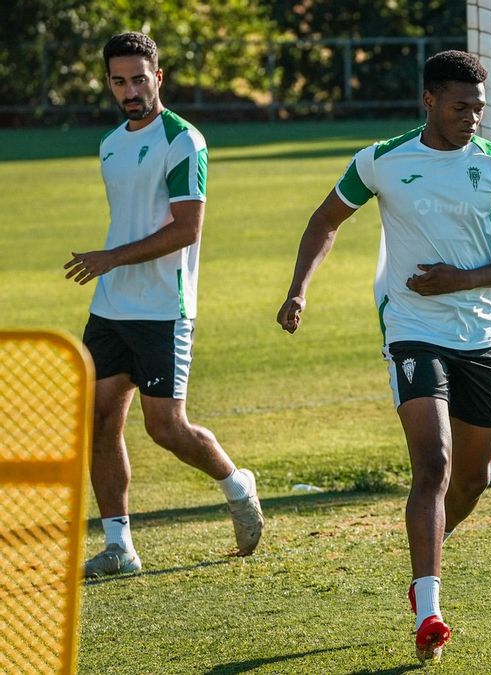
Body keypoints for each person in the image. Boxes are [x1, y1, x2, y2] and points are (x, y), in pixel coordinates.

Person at [275, 50, 491, 663]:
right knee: (434, 464)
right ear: (430, 101)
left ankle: (425, 564)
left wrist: (460, 278)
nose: (472, 117)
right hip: (412, 329)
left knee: (473, 478)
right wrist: (297, 290)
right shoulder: (382, 161)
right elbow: (325, 222)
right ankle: (430, 609)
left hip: (480, 336)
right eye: (460, 106)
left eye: (479, 106)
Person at [64, 32, 263, 578]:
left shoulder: (183, 141)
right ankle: (119, 547)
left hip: (162, 308)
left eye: (138, 78)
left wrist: (112, 257)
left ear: (159, 77)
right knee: (100, 422)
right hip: (111, 309)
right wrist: (112, 266)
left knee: (165, 428)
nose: (129, 90)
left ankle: (235, 483)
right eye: (118, 81)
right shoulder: (109, 143)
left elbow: (187, 229)